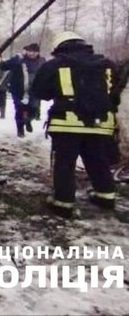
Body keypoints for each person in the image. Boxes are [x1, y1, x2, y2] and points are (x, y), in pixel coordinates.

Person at [31, 31, 119, 218]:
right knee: (98, 159)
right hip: (101, 123)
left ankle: (63, 202)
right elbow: (115, 95)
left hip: (66, 123)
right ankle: (106, 195)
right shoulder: (106, 64)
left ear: (58, 47)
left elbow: (39, 91)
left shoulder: (54, 64)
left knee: (64, 163)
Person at [0, 43, 45, 137]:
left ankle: (28, 120)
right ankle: (20, 130)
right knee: (19, 110)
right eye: (30, 51)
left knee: (34, 109)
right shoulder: (19, 59)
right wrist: (14, 61)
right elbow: (4, 66)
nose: (32, 53)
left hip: (34, 90)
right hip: (18, 90)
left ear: (38, 53)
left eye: (34, 52)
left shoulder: (42, 61)